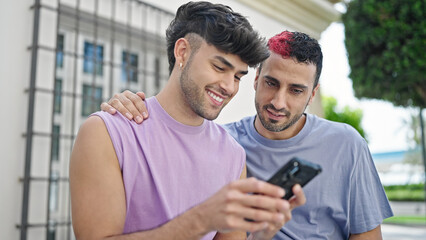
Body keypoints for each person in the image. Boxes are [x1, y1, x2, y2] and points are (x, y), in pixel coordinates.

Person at [102, 30, 394, 239]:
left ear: (312, 94)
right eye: (271, 83)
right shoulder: (225, 146)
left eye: (296, 91)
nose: (278, 102)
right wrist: (132, 105)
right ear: (255, 80)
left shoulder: (347, 145)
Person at [70, 2, 306, 240]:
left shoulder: (233, 154)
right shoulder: (107, 132)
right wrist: (202, 220)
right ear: (182, 52)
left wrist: (262, 233)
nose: (228, 86)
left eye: (237, 76)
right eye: (219, 67)